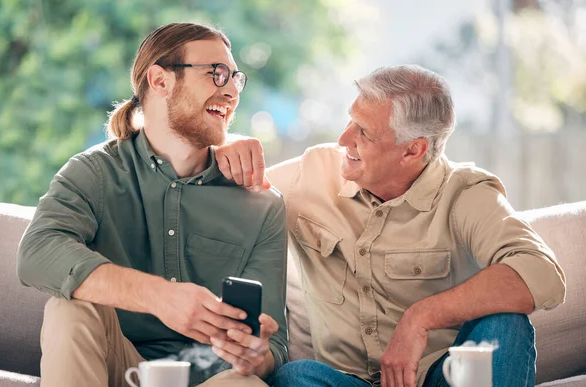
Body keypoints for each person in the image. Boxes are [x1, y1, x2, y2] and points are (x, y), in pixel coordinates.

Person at [215, 65, 566, 386]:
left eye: (363, 132)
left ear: (413, 151)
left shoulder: (465, 193)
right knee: (297, 376)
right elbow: (223, 187)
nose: (343, 139)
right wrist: (230, 144)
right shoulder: (314, 171)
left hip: (440, 378)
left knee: (506, 326)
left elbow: (541, 273)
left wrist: (421, 317)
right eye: (350, 120)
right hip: (345, 381)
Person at [17, 23, 288, 387]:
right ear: (160, 80)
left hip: (210, 380)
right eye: (216, 74)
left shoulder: (262, 203)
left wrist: (257, 357)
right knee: (70, 309)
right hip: (115, 365)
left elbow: (277, 348)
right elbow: (37, 252)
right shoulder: (95, 173)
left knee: (247, 385)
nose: (231, 92)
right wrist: (161, 297)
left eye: (235, 79)